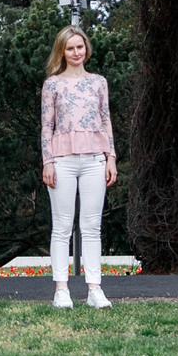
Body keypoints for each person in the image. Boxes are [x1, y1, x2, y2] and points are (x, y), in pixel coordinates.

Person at [40, 25, 118, 309]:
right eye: (70, 48)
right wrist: (47, 161)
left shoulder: (99, 82)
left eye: (80, 47)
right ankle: (61, 289)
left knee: (91, 226)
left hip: (95, 159)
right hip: (61, 160)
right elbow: (46, 126)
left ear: (86, 49)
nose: (76, 52)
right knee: (61, 227)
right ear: (62, 51)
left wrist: (111, 157)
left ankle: (95, 289)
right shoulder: (53, 84)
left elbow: (106, 119)